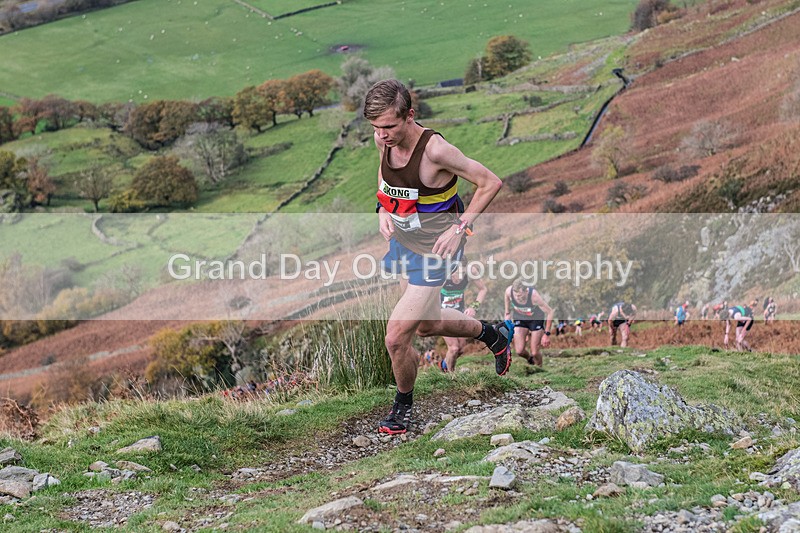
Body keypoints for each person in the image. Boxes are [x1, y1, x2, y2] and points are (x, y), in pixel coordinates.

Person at [367, 79, 512, 435]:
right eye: (375, 127)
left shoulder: (436, 151)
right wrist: (382, 208)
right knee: (428, 325)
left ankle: (402, 406)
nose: (382, 135)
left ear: (410, 116)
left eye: (389, 126)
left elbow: (490, 182)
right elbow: (386, 180)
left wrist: (460, 228)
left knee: (396, 337)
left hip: (436, 251)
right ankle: (493, 335)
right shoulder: (382, 140)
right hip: (403, 242)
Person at [439, 260, 488, 373]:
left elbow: (483, 289)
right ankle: (451, 375)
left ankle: (444, 364)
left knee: (461, 348)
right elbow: (431, 294)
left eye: (463, 273)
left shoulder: (471, 270)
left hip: (458, 313)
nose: (460, 278)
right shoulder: (443, 273)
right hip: (442, 315)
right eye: (457, 274)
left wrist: (473, 307)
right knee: (454, 348)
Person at [504, 277, 554, 367]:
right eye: (515, 295)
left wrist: (546, 334)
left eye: (520, 295)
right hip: (520, 318)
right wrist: (507, 312)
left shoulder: (534, 296)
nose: (517, 298)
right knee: (519, 351)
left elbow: (550, 312)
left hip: (535, 320)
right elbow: (507, 298)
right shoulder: (509, 291)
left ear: (526, 291)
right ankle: (529, 359)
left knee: (535, 352)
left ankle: (539, 368)